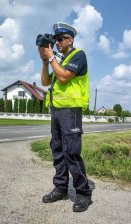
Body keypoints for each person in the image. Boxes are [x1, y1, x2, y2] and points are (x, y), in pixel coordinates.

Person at [37, 22, 92, 212]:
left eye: (60, 39)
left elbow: (63, 77)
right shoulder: (59, 61)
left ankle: (83, 193)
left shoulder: (78, 55)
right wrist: (45, 61)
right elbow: (45, 81)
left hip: (71, 111)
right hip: (57, 110)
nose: (57, 43)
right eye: (55, 40)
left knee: (71, 152)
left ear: (70, 39)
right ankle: (61, 188)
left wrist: (51, 56)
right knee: (58, 150)